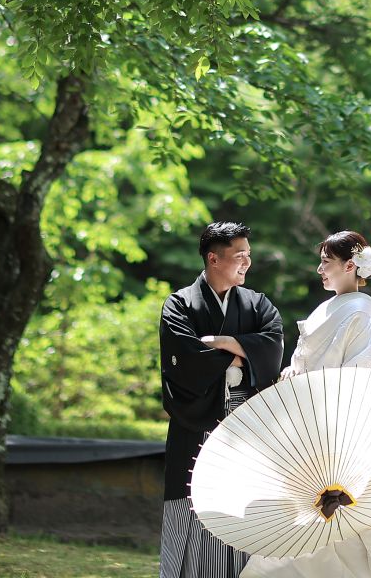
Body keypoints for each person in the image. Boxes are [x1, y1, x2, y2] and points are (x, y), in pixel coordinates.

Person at [243, 230, 371, 578]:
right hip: (306, 427)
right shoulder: (329, 311)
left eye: (326, 262)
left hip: (337, 436)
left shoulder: (358, 319)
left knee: (338, 532)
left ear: (349, 265)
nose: (319, 269)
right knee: (297, 524)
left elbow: (356, 387)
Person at [161, 221, 285, 578]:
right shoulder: (180, 304)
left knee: (241, 502)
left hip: (246, 420)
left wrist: (219, 343)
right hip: (196, 418)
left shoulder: (258, 304)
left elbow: (273, 347)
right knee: (191, 502)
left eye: (249, 255)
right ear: (213, 258)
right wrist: (244, 349)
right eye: (239, 256)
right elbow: (185, 358)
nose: (246, 263)